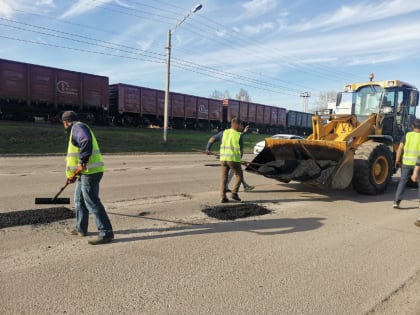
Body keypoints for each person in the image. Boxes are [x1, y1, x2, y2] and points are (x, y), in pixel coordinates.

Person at [62, 111, 114, 245]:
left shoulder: (77, 127)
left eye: (64, 123)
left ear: (66, 122)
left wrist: (82, 162)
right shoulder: (78, 128)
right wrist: (73, 175)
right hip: (85, 173)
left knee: (91, 201)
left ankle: (106, 233)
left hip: (90, 172)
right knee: (79, 200)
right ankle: (80, 228)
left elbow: (86, 140)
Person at [206, 117, 245, 203]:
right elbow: (241, 151)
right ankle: (234, 193)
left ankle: (223, 197)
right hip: (233, 160)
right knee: (239, 176)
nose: (241, 127)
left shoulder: (223, 133)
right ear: (236, 124)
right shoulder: (239, 135)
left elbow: (211, 139)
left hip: (223, 159)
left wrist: (208, 149)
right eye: (240, 125)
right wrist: (239, 160)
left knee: (224, 178)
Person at [393, 118, 420, 209]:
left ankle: (396, 202)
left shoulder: (407, 135)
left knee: (402, 182)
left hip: (406, 163)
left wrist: (397, 159)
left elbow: (400, 148)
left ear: (412, 126)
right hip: (418, 165)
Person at [226, 124, 254, 192]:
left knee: (234, 173)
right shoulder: (235, 135)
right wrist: (244, 131)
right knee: (237, 173)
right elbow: (239, 136)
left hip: (230, 157)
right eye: (240, 125)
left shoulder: (228, 133)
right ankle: (243, 186)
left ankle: (244, 185)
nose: (241, 127)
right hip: (234, 158)